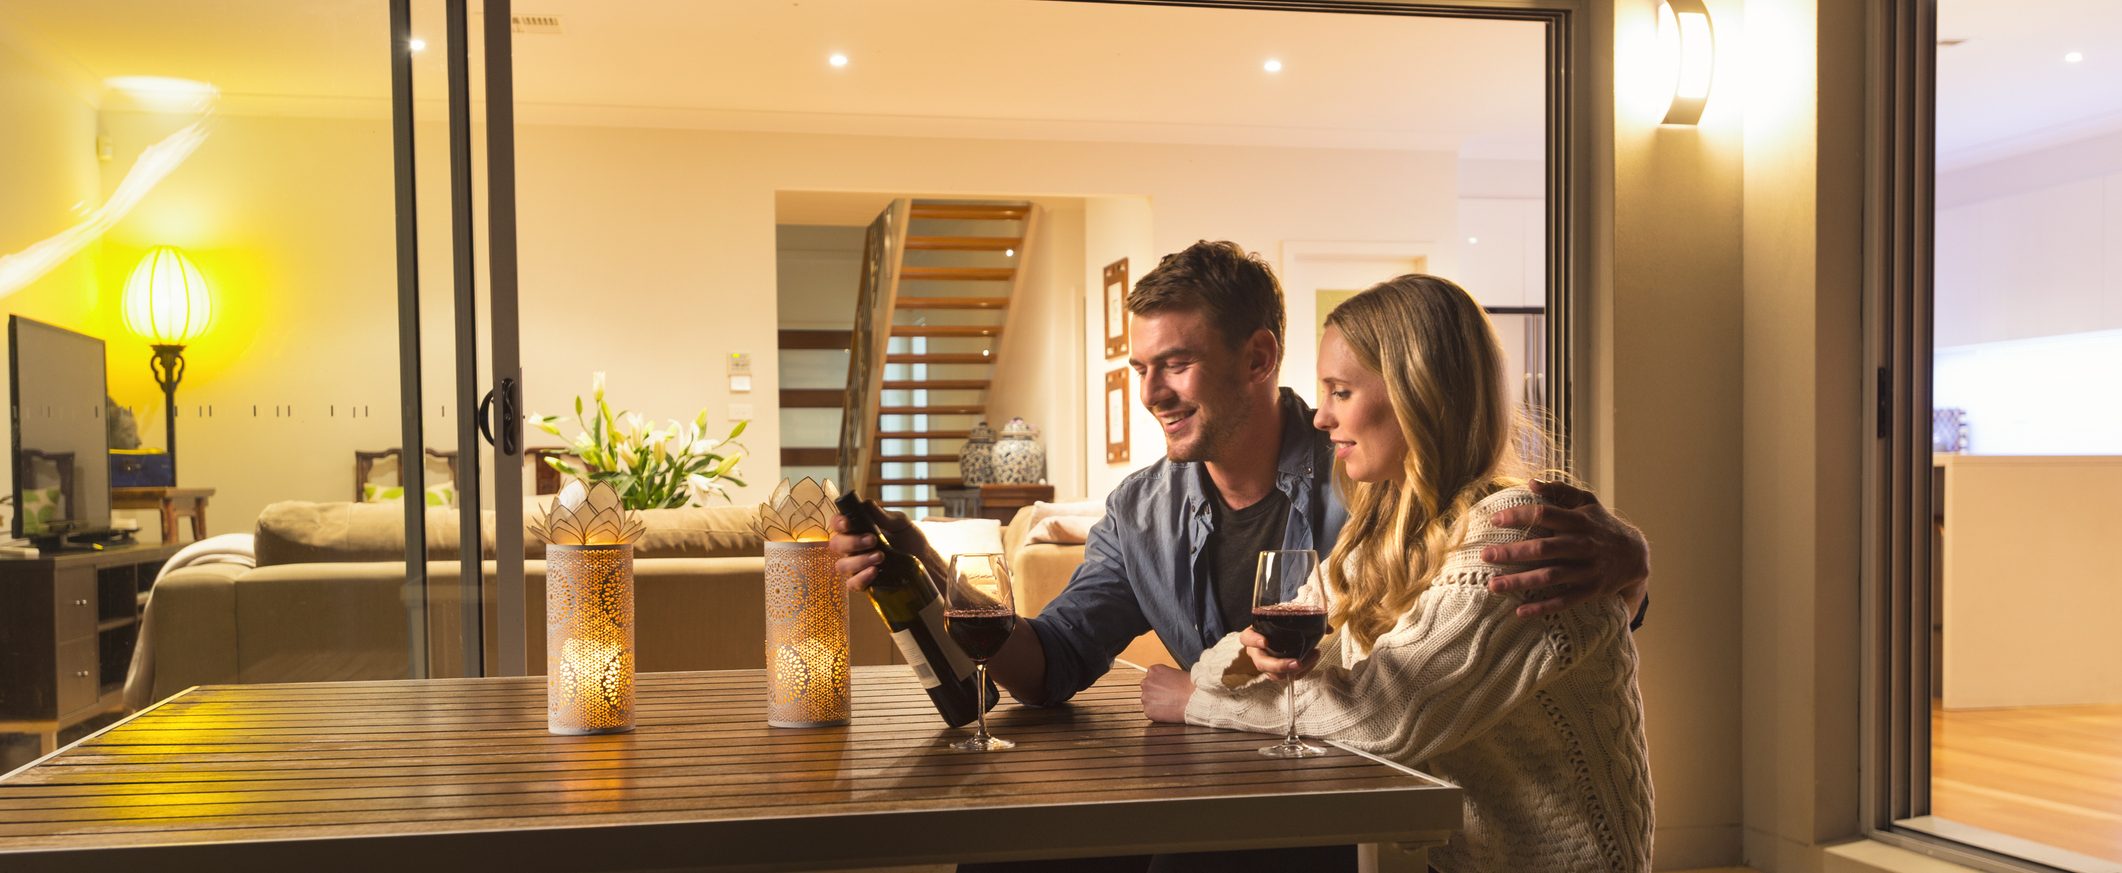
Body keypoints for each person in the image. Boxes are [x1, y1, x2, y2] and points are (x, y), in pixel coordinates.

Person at [832, 241, 1651, 872]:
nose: (1152, 393)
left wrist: (1632, 568)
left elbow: (1475, 639)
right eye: (1141, 369)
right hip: (1238, 787)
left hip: (1352, 809)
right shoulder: (1144, 511)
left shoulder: (1370, 481)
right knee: (1016, 854)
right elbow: (1050, 664)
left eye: (1175, 364)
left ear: (1258, 359)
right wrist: (932, 572)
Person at [1140, 274, 1653, 872]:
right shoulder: (1379, 540)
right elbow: (1272, 667)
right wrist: (1243, 660)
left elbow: (1380, 716)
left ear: (1419, 394)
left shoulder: (1513, 532)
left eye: (1340, 391)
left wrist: (1196, 703)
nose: (1321, 419)